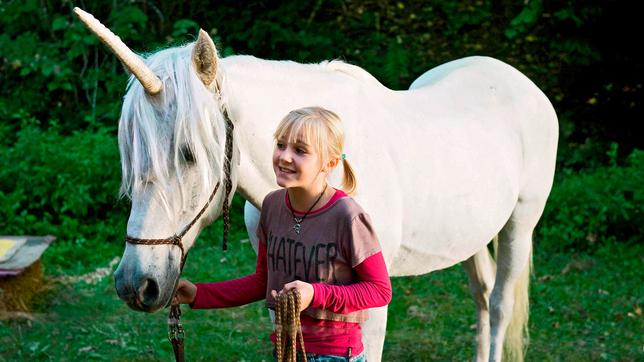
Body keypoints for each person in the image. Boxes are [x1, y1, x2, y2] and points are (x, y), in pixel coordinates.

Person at [173, 106, 392, 361]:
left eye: (300, 150)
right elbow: (263, 282)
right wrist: (199, 294)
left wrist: (315, 294)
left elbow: (379, 290)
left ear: (329, 163)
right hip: (286, 351)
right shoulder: (272, 206)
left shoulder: (347, 217)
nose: (285, 157)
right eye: (281, 145)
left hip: (337, 355)